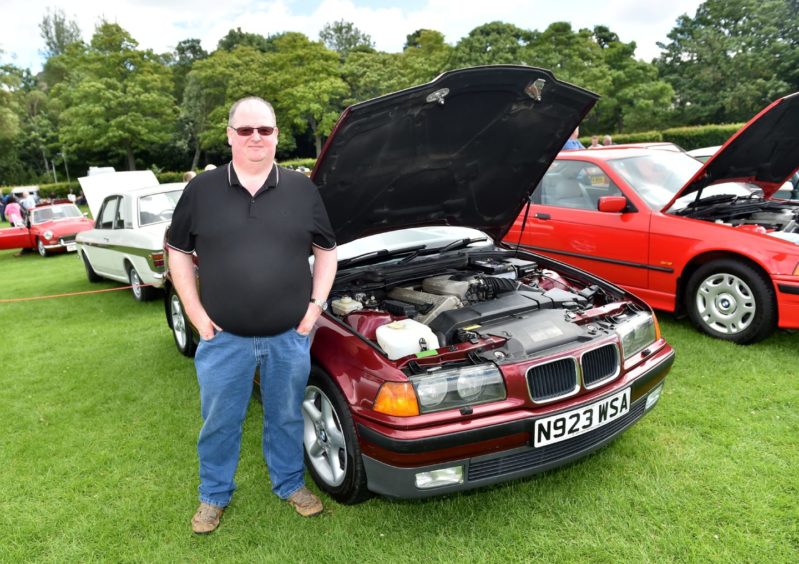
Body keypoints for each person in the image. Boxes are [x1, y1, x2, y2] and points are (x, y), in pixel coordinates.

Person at [167, 96, 338, 535]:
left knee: (285, 415)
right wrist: (195, 313)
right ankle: (213, 495)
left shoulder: (302, 189)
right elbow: (177, 251)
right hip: (223, 339)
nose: (256, 137)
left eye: (265, 129)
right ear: (230, 136)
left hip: (288, 338)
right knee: (220, 421)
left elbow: (327, 251)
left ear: (277, 134)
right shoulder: (201, 191)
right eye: (246, 130)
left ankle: (289, 483)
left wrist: (314, 308)